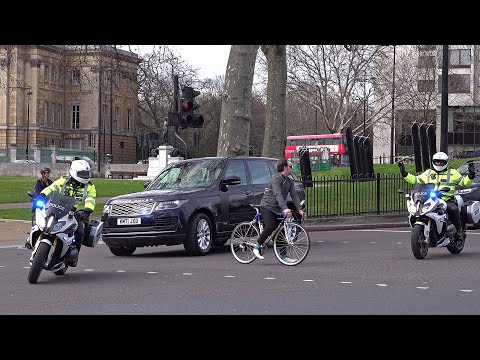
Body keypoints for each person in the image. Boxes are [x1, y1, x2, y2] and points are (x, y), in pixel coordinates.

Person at [398, 151, 475, 240]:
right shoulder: (428, 173)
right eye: (437, 161)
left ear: (446, 162)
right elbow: (415, 180)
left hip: (446, 199)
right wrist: (404, 173)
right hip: (430, 199)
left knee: (453, 209)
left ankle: (459, 231)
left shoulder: (452, 173)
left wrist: (471, 176)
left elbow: (464, 182)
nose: (439, 163)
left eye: (441, 162)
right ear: (433, 162)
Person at [38, 159, 97, 266]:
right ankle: (32, 240)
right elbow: (51, 188)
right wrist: (42, 195)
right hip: (58, 208)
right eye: (82, 174)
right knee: (42, 218)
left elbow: (90, 199)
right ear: (74, 172)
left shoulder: (90, 186)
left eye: (86, 174)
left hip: (76, 213)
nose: (85, 176)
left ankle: (74, 254)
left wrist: (86, 211)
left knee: (80, 231)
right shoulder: (63, 180)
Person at [253, 158, 306, 262]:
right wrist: (285, 209)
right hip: (267, 206)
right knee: (271, 226)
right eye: (291, 166)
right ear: (285, 168)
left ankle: (284, 256)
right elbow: (278, 194)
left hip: (277, 208)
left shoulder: (289, 181)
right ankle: (257, 246)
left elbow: (294, 196)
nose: (292, 168)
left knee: (280, 232)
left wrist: (299, 210)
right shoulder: (275, 179)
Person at [25, 167, 54, 249]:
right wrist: (36, 197)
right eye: (46, 173)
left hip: (49, 204)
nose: (48, 174)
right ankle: (30, 238)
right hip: (40, 204)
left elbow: (55, 192)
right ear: (43, 174)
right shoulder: (39, 182)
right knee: (38, 222)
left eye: (49, 173)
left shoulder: (50, 182)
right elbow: (37, 193)